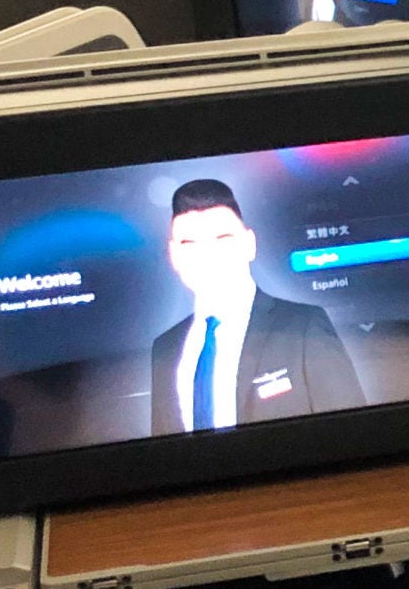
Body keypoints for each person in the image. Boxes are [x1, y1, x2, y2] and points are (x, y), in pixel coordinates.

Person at [145, 178, 366, 434]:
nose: (208, 256)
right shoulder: (165, 348)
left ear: (249, 244)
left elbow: (351, 433)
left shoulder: (304, 325)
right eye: (189, 243)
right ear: (174, 255)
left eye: (222, 238)